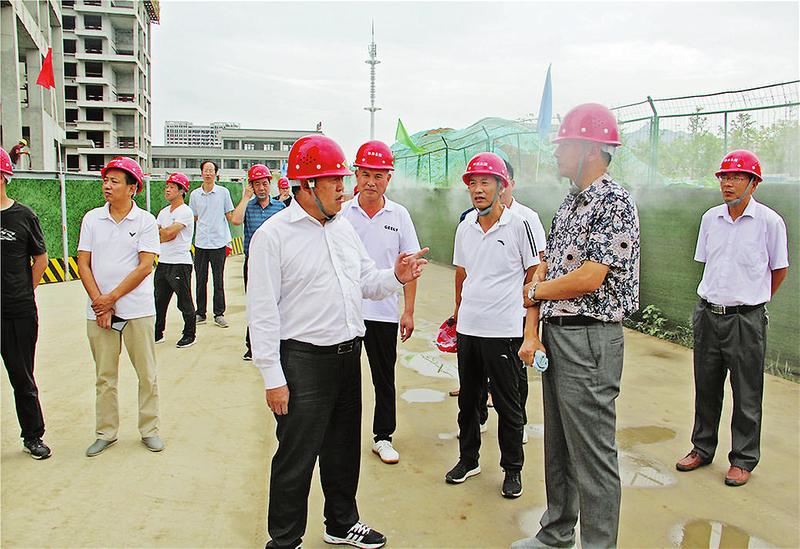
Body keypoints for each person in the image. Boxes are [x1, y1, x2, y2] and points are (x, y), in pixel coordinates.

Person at [247, 134, 428, 549]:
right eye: (335, 181)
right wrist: (273, 377)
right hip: (303, 362)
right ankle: (285, 539)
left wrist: (396, 276)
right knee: (296, 455)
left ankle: (342, 523)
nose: (344, 189)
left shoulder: (342, 227)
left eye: (343, 179)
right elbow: (262, 313)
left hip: (347, 355)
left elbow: (366, 280)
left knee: (343, 449)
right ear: (308, 185)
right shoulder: (274, 236)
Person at [515, 103, 640, 549]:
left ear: (589, 149)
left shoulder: (614, 202)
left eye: (564, 145)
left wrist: (537, 292)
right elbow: (545, 268)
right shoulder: (570, 203)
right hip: (559, 335)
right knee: (561, 444)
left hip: (590, 338)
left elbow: (589, 278)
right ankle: (556, 533)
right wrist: (533, 327)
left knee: (593, 453)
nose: (556, 153)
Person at [675, 150, 788, 487]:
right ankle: (701, 448)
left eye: (737, 177)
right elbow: (708, 263)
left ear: (753, 184)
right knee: (706, 387)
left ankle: (742, 459)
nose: (728, 183)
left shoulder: (769, 222)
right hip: (708, 315)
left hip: (745, 321)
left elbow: (778, 270)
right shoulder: (711, 219)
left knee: (747, 392)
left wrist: (754, 300)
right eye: (724, 177)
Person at [446, 152, 539, 499]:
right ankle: (468, 460)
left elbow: (534, 272)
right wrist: (458, 312)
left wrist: (528, 325)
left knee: (508, 404)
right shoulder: (465, 226)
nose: (478, 189)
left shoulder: (519, 225)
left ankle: (512, 469)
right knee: (468, 401)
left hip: (504, 330)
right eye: (473, 183)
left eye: (485, 182)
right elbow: (462, 272)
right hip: (470, 328)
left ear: (502, 186)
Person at [77, 156, 164, 457]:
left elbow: (144, 267)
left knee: (147, 374)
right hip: (99, 312)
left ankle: (149, 429)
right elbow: (83, 263)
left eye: (114, 181)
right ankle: (106, 432)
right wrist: (100, 304)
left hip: (137, 309)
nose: (107, 186)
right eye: (106, 180)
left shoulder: (146, 221)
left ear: (132, 188)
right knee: (105, 376)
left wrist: (111, 299)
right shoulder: (92, 219)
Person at [340, 140, 420, 464]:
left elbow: (410, 267)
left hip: (384, 313)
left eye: (378, 175)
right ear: (356, 175)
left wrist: (408, 311)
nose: (371, 182)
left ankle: (383, 437)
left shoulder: (399, 215)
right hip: (347, 313)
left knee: (384, 378)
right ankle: (342, 437)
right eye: (365, 174)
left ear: (389, 178)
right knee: (344, 381)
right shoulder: (342, 213)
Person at [0, 146, 51, 459]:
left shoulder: (24, 216)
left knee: (22, 377)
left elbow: (41, 260)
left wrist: (23, 291)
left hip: (16, 311)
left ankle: (32, 436)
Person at [231, 164, 285, 360]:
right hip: (252, 263)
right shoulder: (248, 206)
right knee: (255, 304)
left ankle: (277, 342)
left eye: (264, 183)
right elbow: (236, 220)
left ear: (270, 184)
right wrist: (246, 197)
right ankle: (252, 345)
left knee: (277, 302)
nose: (261, 188)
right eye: (257, 184)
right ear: (251, 186)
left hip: (275, 263)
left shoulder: (280, 207)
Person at [189, 160, 234, 328]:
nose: (208, 173)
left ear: (216, 173)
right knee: (200, 280)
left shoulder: (223, 193)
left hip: (218, 242)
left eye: (211, 170)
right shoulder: (195, 195)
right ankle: (200, 313)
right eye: (205, 170)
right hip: (201, 243)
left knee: (218, 280)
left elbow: (230, 215)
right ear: (201, 173)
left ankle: (219, 314)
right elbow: (193, 217)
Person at [154, 172, 196, 348]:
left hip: (180, 262)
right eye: (167, 186)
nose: (167, 190)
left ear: (181, 191)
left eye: (172, 187)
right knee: (159, 301)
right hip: (163, 262)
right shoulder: (163, 212)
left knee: (184, 301)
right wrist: (164, 233)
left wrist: (164, 233)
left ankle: (189, 334)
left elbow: (169, 234)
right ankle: (157, 333)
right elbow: (156, 235)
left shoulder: (185, 211)